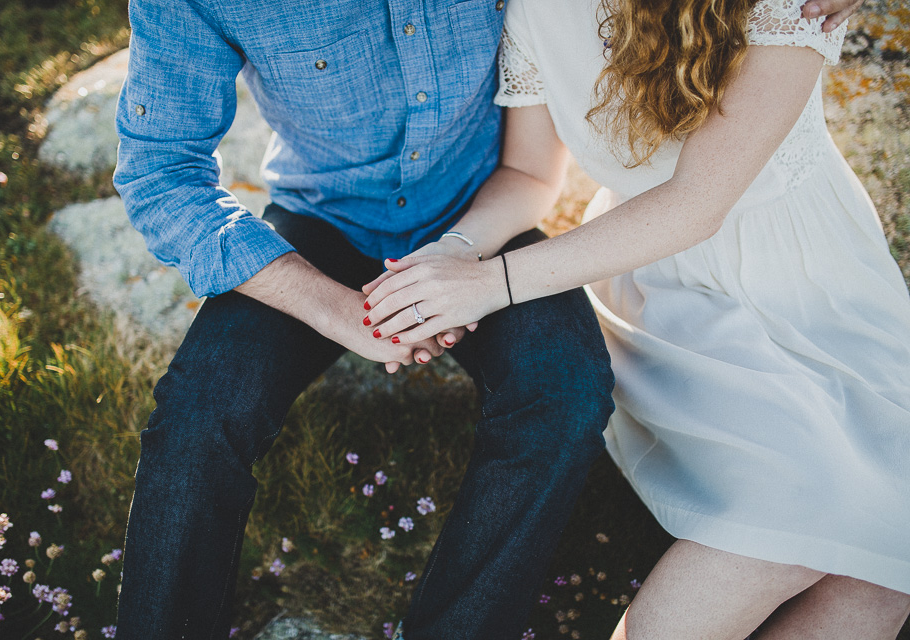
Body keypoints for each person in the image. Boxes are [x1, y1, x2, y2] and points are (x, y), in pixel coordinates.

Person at [112, 0, 859, 637]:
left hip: (483, 216)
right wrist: (341, 313)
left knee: (564, 392)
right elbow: (160, 170)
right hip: (320, 221)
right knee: (198, 411)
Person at [361, 0, 910, 637]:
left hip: (815, 279)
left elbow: (697, 202)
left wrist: (488, 285)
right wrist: (451, 258)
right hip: (663, 286)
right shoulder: (534, 11)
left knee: (885, 567)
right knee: (797, 509)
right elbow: (528, 172)